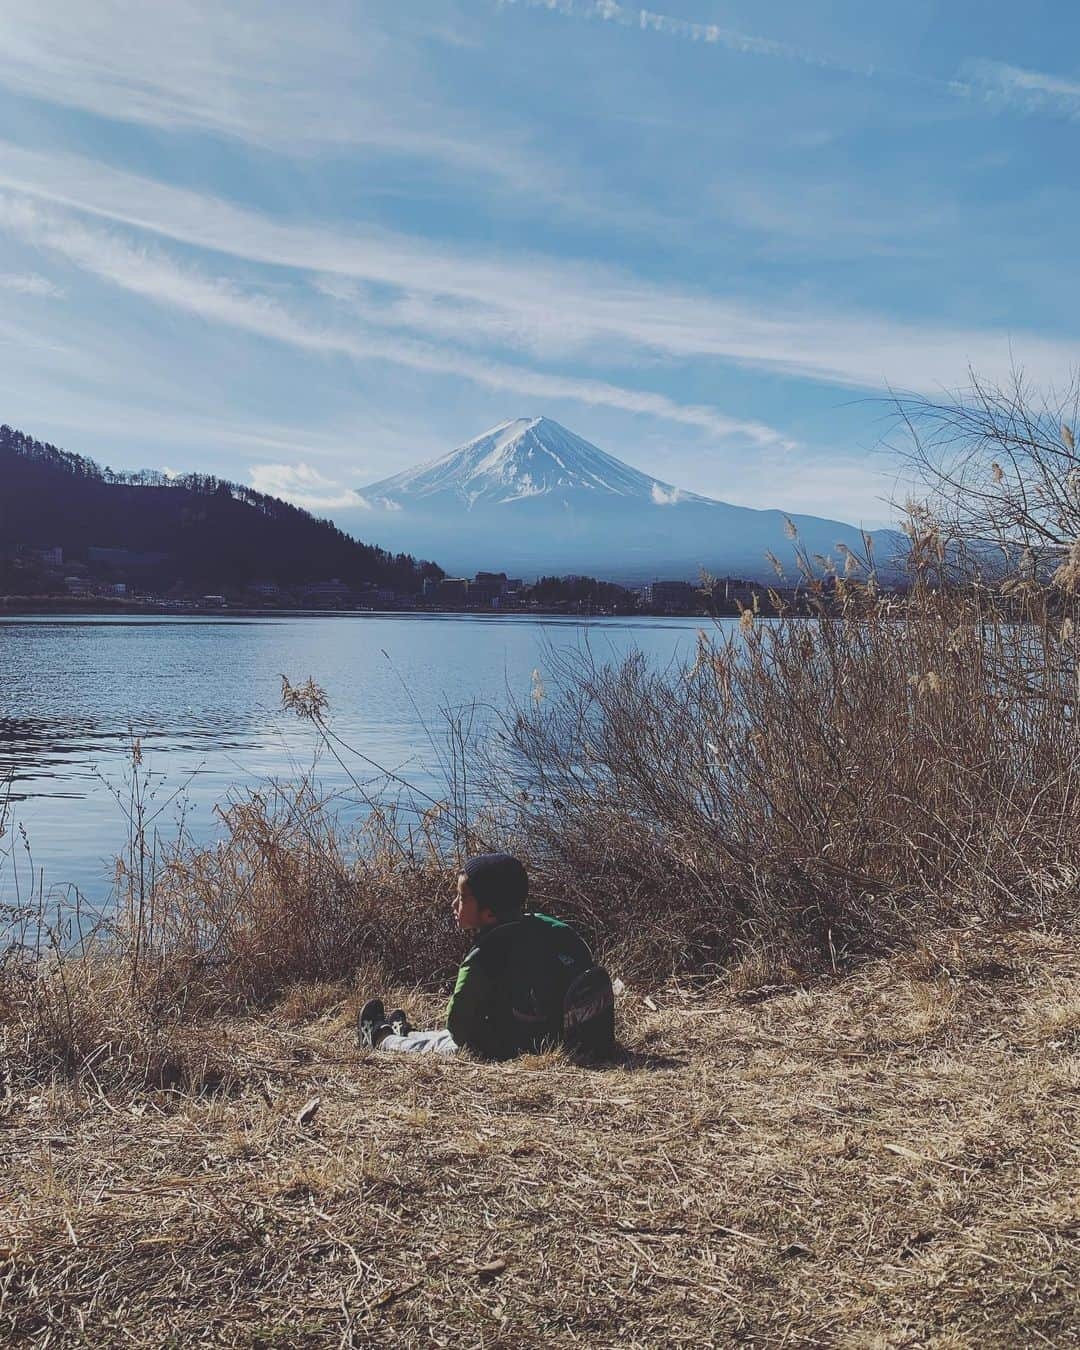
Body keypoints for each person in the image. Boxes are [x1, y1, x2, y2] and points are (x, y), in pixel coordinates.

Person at [358, 852, 594, 1058]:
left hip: (503, 1049)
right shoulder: (553, 930)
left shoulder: (484, 956)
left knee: (445, 1044)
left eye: (461, 898)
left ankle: (380, 1037)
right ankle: (407, 1031)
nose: (453, 904)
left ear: (489, 913)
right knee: (447, 1036)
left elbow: (458, 1028)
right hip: (554, 1040)